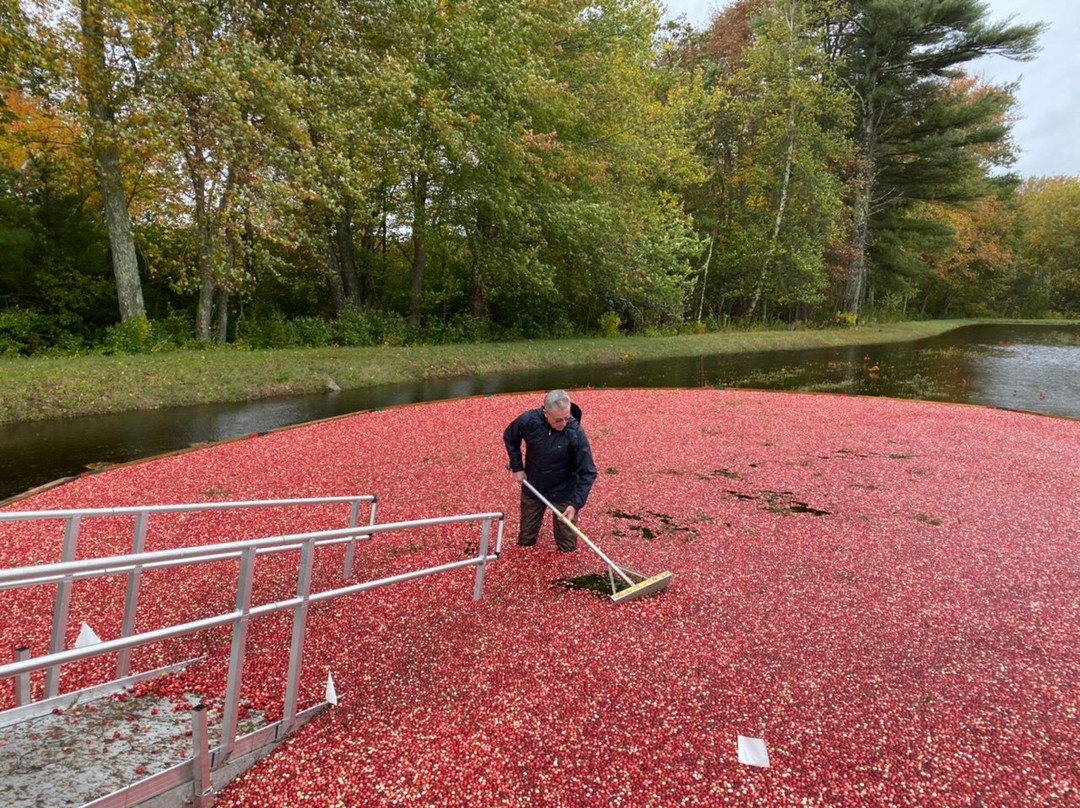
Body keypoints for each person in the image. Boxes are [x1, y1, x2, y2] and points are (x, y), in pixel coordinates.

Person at [503, 390, 597, 552]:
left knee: (567, 547)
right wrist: (517, 467)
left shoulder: (575, 433)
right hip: (534, 486)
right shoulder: (529, 421)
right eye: (558, 420)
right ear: (546, 413)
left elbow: (588, 472)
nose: (564, 424)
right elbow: (510, 436)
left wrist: (575, 504)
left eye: (567, 418)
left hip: (564, 492)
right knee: (526, 540)